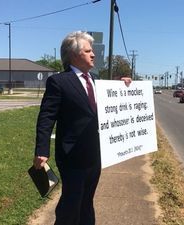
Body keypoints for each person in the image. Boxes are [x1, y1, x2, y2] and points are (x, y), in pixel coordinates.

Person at [33, 31, 131, 225]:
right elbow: (46, 117)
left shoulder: (95, 80)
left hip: (94, 154)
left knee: (87, 201)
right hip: (72, 156)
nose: (93, 54)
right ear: (74, 55)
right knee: (71, 202)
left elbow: (108, 104)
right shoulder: (59, 82)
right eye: (88, 51)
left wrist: (121, 86)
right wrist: (41, 150)